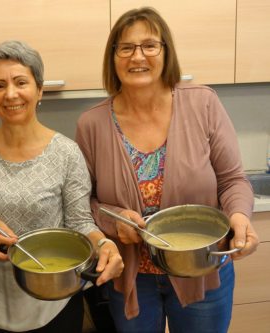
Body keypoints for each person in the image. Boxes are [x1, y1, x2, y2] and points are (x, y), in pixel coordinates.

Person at [75, 7, 259, 333]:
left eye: (149, 45)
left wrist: (240, 217)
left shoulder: (203, 104)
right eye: (126, 47)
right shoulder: (91, 124)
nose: (138, 56)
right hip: (133, 275)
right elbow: (84, 204)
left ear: (166, 52)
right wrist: (114, 220)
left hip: (203, 266)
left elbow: (233, 180)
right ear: (113, 57)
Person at [0, 40, 124, 333]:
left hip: (56, 294)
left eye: (21, 82)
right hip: (1, 298)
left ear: (39, 90)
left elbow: (79, 221)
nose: (11, 94)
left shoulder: (67, 152)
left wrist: (104, 244)